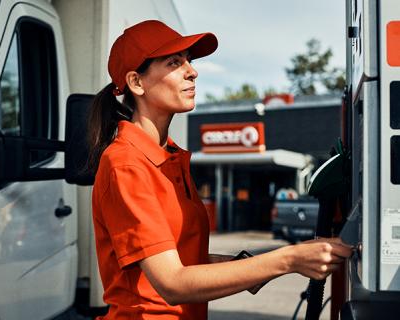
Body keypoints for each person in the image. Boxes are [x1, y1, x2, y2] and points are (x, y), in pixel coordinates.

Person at [88, 20, 352, 320]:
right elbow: (172, 282)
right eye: (175, 62)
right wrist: (289, 259)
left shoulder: (169, 157)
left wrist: (255, 266)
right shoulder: (126, 163)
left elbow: (185, 261)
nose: (192, 71)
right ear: (136, 82)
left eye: (190, 60)